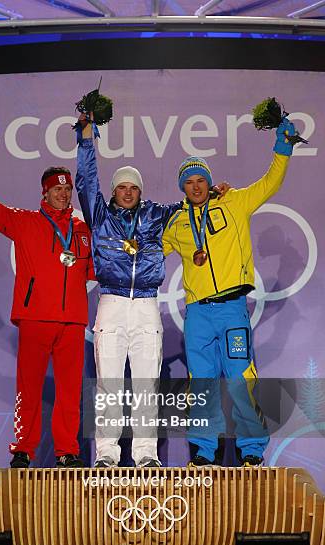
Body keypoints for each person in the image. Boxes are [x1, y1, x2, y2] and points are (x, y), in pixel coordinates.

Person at [75, 116, 229, 468]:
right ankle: (107, 456)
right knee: (109, 385)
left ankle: (145, 454)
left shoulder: (157, 216)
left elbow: (189, 204)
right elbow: (85, 179)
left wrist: (213, 191)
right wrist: (86, 137)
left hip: (146, 306)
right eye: (121, 187)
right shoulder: (100, 217)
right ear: (113, 192)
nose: (127, 192)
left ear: (140, 192)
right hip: (111, 303)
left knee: (146, 385)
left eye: (133, 188)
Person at [162, 117, 296, 467]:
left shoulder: (234, 202)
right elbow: (146, 254)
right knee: (202, 385)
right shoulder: (176, 223)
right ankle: (204, 453)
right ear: (182, 187)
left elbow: (269, 183)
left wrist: (282, 148)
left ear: (209, 182)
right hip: (198, 314)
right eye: (188, 182)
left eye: (200, 180)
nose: (195, 186)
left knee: (240, 381)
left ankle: (252, 452)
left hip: (232, 309)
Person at [0, 143, 95, 468]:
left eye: (67, 189)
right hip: (36, 317)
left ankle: (67, 451)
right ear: (44, 193)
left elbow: (94, 270)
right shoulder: (25, 223)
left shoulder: (83, 231)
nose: (64, 194)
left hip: (73, 322)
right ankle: (22, 448)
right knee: (29, 389)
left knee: (69, 392)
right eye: (57, 190)